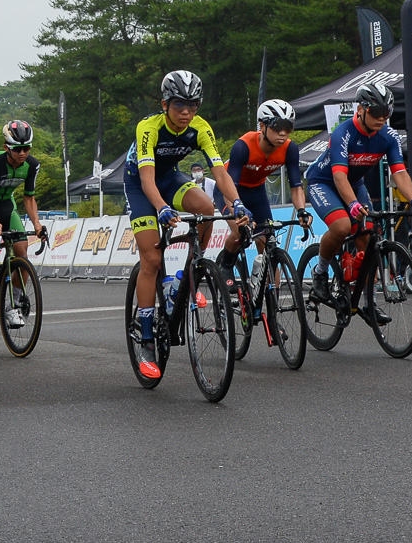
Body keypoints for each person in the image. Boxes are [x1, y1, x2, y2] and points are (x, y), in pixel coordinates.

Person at [123, 70, 242, 379]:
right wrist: (161, 208)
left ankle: (185, 275)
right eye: (179, 105)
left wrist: (236, 202)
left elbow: (220, 172)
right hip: (140, 185)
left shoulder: (200, 127)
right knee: (151, 258)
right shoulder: (148, 128)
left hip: (170, 177)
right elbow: (147, 180)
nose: (187, 112)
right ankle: (147, 339)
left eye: (193, 105)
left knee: (206, 206)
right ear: (165, 104)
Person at [302, 82, 412, 307]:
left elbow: (399, 173)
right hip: (323, 182)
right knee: (342, 226)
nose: (382, 118)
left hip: (354, 183)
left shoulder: (389, 136)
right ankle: (320, 271)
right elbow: (339, 177)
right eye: (376, 112)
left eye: (386, 113)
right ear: (360, 110)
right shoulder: (343, 133)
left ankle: (370, 305)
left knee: (368, 238)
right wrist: (352, 204)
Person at [214, 99, 314, 277]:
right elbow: (230, 188)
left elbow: (296, 186)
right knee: (239, 231)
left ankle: (272, 297)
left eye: (288, 128)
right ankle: (226, 266)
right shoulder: (243, 147)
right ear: (262, 125)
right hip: (230, 190)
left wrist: (301, 211)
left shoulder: (290, 148)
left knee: (268, 242)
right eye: (277, 127)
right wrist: (239, 213)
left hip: (256, 191)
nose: (283, 134)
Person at [0, 120, 46, 328]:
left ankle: (11, 306)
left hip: (7, 208)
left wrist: (37, 223)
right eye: (17, 149)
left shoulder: (32, 165)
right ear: (7, 147)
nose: (23, 153)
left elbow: (29, 198)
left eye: (26, 148)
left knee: (22, 252)